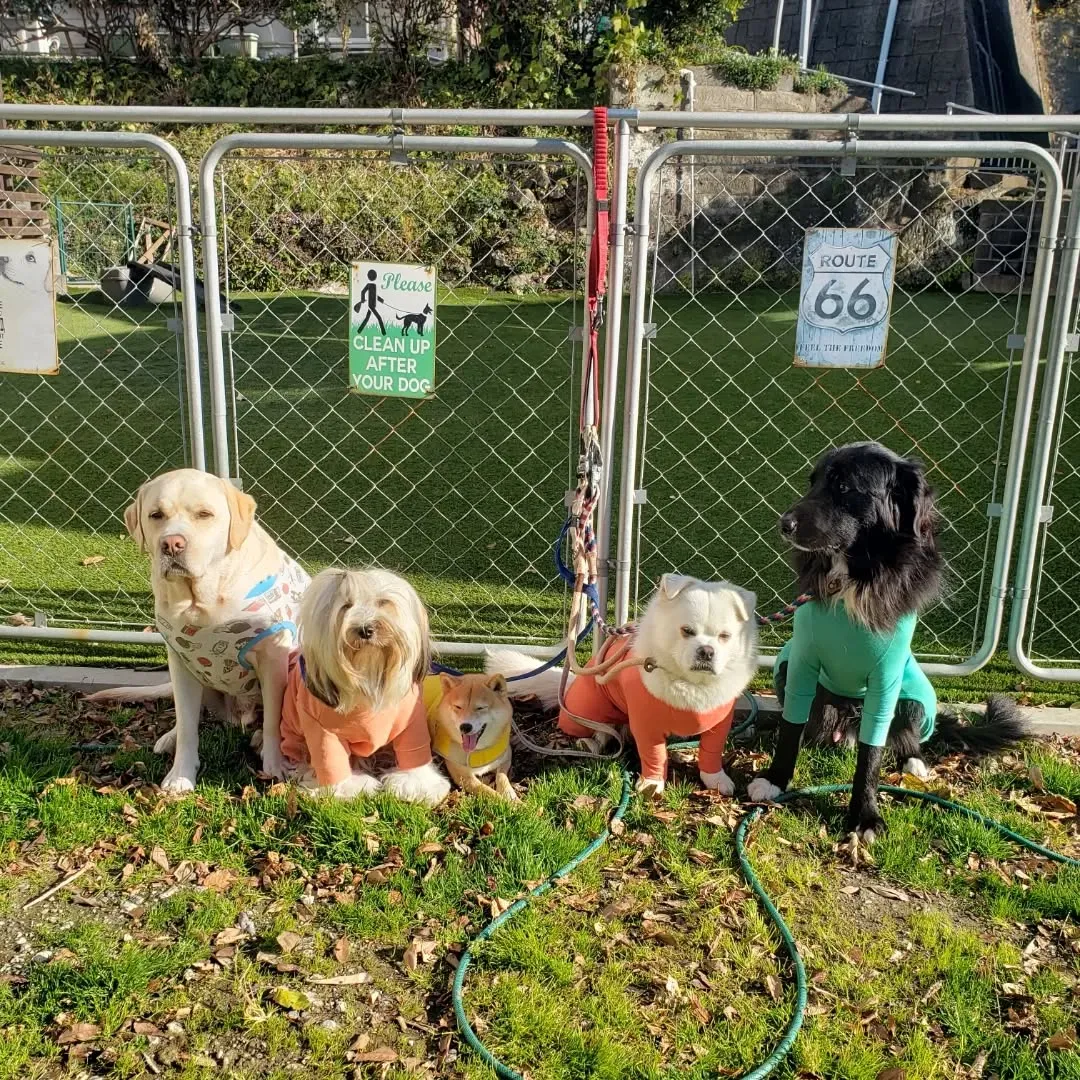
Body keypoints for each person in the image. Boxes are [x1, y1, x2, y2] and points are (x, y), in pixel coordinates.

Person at [353, 268, 386, 334]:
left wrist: (380, 300)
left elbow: (374, 295)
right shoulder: (369, 285)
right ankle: (384, 333)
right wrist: (362, 300)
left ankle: (359, 331)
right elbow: (363, 292)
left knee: (367, 318)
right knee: (379, 318)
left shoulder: (374, 285)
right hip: (371, 305)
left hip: (373, 305)